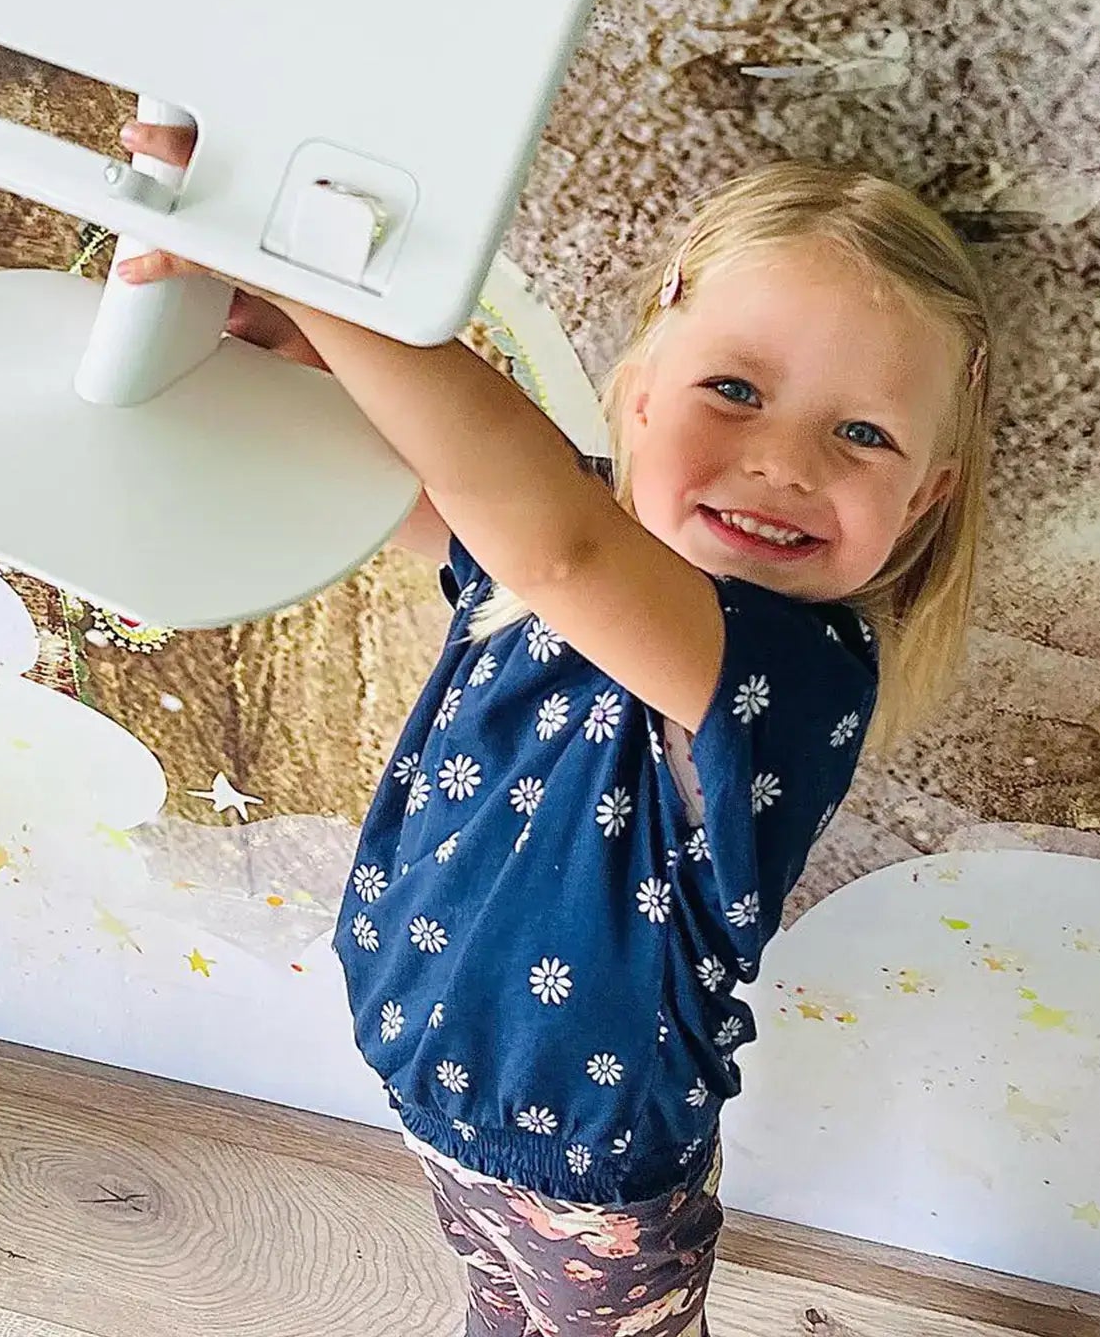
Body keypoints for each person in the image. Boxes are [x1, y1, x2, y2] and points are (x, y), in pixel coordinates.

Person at [117, 128, 993, 1337]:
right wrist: (286, 332)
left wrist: (321, 290)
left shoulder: (792, 673)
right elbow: (409, 478)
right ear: (639, 392)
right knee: (494, 1306)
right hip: (434, 1076)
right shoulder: (559, 539)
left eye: (863, 435)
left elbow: (548, 534)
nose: (782, 461)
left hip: (596, 1158)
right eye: (731, 390)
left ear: (922, 495)